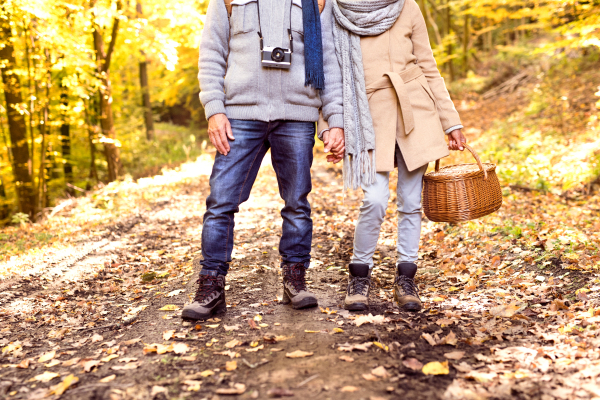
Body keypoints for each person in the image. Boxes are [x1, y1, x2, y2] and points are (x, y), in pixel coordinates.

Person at [182, 0, 345, 320]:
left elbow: (328, 62)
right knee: (220, 202)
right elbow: (211, 52)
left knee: (297, 201)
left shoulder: (317, 1)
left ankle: (295, 279)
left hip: (297, 115)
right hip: (240, 114)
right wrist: (214, 110)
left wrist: (335, 119)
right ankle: (211, 284)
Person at [319, 0, 467, 312]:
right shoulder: (335, 10)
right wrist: (331, 125)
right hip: (366, 116)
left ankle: (406, 278)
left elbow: (428, 66)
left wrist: (450, 121)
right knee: (374, 199)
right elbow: (330, 77)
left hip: (416, 110)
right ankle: (359, 276)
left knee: (411, 202)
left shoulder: (407, 7)